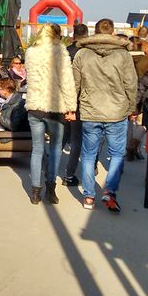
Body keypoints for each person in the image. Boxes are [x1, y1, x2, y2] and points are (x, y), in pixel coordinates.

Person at [72, 18, 138, 212]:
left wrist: (71, 106)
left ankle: (89, 197)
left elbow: (75, 83)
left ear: (96, 31)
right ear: (112, 32)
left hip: (90, 109)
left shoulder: (82, 53)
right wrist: (132, 107)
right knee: (117, 153)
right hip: (116, 110)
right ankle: (109, 191)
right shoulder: (123, 55)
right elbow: (131, 83)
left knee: (89, 154)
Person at [24, 24, 77, 204]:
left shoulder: (31, 52)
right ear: (57, 35)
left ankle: (35, 191)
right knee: (55, 149)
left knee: (37, 149)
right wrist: (71, 107)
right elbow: (67, 82)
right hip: (54, 106)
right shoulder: (60, 52)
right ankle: (51, 188)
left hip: (35, 105)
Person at [62, 23, 89, 187]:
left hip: (64, 97)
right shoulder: (87, 53)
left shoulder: (65, 51)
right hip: (80, 99)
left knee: (62, 136)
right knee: (77, 139)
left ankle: (49, 168)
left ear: (73, 35)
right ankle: (69, 174)